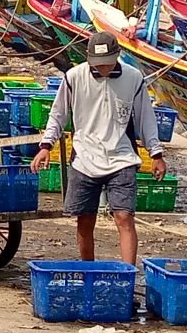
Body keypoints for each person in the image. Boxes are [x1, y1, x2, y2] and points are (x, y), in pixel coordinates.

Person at [31, 32, 166, 266]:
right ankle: (88, 271)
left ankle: (127, 277)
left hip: (122, 156)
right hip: (84, 156)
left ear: (117, 56)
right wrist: (46, 145)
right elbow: (58, 114)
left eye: (107, 63)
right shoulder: (74, 77)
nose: (103, 68)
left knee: (124, 217)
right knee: (84, 220)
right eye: (98, 64)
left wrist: (156, 153)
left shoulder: (134, 78)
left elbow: (146, 118)